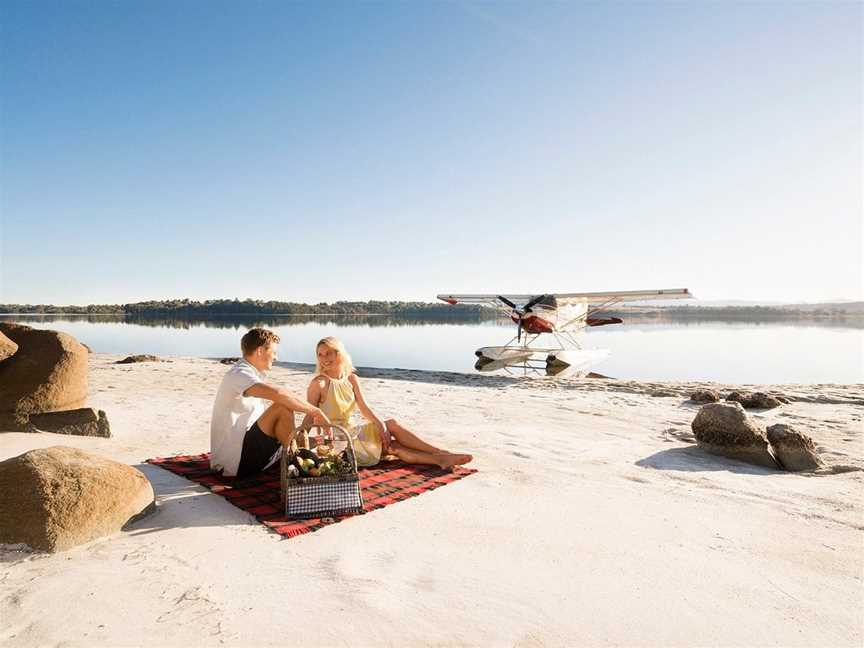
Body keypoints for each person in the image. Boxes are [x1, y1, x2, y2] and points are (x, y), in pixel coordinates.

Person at [302, 336, 472, 470]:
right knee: (393, 446)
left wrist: (380, 425)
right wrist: (297, 442)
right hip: (337, 439)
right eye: (320, 354)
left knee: (390, 427)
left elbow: (364, 408)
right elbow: (309, 417)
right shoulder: (319, 383)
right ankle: (440, 457)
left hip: (354, 431)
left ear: (339, 354)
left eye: (328, 353)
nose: (324, 358)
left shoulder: (352, 379)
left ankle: (440, 454)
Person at [210, 328, 330, 479]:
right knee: (281, 407)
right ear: (260, 351)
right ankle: (296, 461)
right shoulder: (239, 374)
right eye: (273, 352)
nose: (276, 357)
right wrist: (315, 411)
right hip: (234, 463)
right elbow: (279, 394)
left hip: (243, 451)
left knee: (295, 429)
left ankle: (295, 456)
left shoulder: (250, 373)